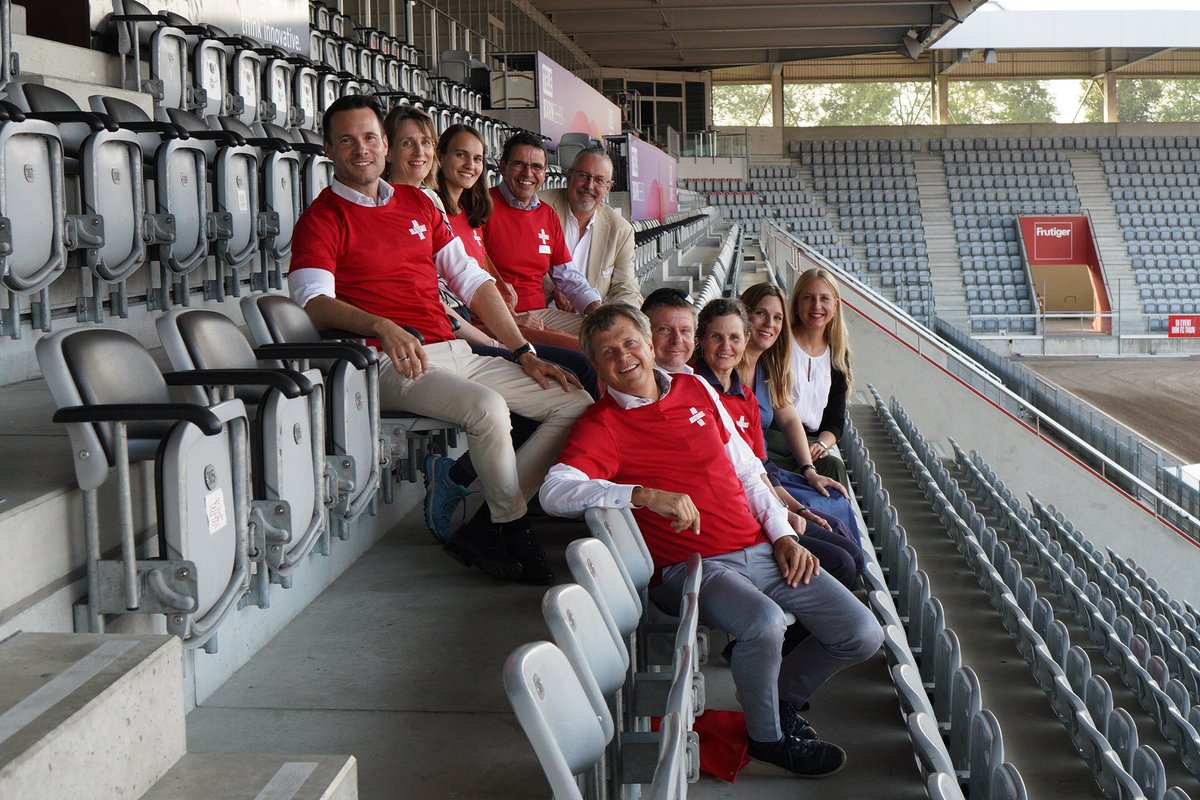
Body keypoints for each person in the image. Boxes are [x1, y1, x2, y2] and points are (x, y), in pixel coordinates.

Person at [540, 303, 882, 778]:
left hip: (759, 547)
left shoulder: (693, 386)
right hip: (691, 566)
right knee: (764, 624)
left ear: (647, 344)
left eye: (630, 342)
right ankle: (768, 740)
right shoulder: (601, 425)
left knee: (862, 634)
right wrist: (638, 494)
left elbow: (746, 469)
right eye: (608, 352)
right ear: (596, 366)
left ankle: (774, 701)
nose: (624, 357)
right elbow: (554, 492)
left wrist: (782, 534)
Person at [288, 95, 591, 585]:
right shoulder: (322, 217)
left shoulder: (418, 203)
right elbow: (312, 302)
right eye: (346, 140)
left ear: (385, 146)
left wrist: (523, 352)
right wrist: (378, 325)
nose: (359, 149)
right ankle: (513, 530)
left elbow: (472, 281)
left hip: (455, 352)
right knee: (489, 409)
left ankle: (487, 527)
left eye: (369, 138)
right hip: (388, 362)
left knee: (573, 400)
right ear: (328, 148)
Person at [417, 123, 600, 542]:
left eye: (475, 158)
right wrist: (507, 334)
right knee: (576, 371)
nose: (527, 173)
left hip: (509, 322)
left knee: (596, 354)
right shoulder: (435, 210)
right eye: (460, 155)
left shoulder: (469, 209)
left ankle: (553, 477)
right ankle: (534, 490)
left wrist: (596, 310)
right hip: (473, 333)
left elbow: (481, 270)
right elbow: (443, 293)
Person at [693, 298, 862, 587]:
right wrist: (784, 515)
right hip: (737, 512)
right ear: (701, 340)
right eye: (716, 337)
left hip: (763, 501)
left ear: (745, 339)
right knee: (841, 563)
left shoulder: (744, 396)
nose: (725, 346)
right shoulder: (694, 390)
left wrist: (796, 509)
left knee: (851, 553)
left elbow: (760, 466)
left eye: (734, 338)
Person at [739, 282, 855, 541]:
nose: (769, 323)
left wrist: (809, 467)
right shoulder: (746, 360)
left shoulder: (771, 361)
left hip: (773, 454)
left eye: (776, 317)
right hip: (756, 461)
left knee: (831, 471)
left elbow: (804, 417)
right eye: (760, 314)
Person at [483, 131, 601, 336]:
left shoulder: (548, 214)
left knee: (607, 333)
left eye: (536, 167)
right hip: (498, 316)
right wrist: (509, 315)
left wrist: (597, 310)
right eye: (519, 164)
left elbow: (568, 276)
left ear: (545, 172)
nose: (528, 174)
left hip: (540, 314)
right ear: (502, 167)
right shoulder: (482, 206)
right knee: (580, 350)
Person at [541, 146, 641, 308]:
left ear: (608, 188)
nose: (589, 185)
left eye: (599, 180)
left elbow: (625, 287)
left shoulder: (621, 230)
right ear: (569, 176)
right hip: (539, 313)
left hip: (590, 323)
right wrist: (554, 288)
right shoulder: (539, 206)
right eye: (583, 175)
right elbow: (521, 264)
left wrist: (619, 320)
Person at [781, 268, 853, 486]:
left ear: (835, 306)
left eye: (824, 299)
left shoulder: (838, 357)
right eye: (808, 298)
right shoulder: (780, 344)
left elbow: (836, 421)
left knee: (833, 467)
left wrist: (822, 444)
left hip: (811, 443)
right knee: (835, 468)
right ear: (797, 304)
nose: (816, 306)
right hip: (776, 439)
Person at [640, 287, 696, 373]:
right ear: (643, 334)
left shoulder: (700, 382)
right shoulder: (630, 385)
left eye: (685, 331)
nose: (677, 340)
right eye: (665, 329)